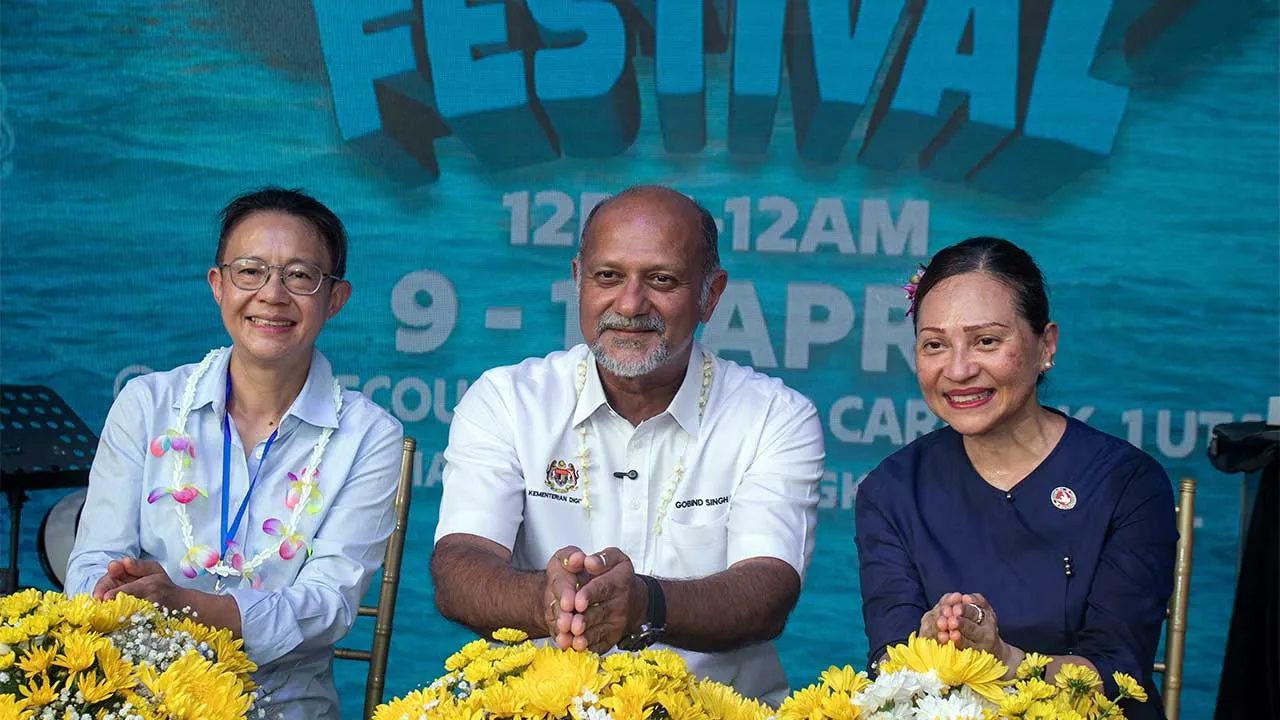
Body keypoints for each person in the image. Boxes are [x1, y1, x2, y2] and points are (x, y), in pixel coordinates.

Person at [430, 185, 824, 706]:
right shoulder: (506, 399)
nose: (631, 304)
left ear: (711, 294)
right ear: (578, 279)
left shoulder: (775, 416)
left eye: (662, 280)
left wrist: (645, 604)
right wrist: (546, 600)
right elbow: (459, 567)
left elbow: (768, 590)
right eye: (608, 276)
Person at [65, 187, 404, 720]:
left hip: (281, 707)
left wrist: (187, 604)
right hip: (136, 697)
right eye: (250, 271)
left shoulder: (368, 436)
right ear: (218, 285)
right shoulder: (147, 405)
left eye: (300, 276)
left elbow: (328, 605)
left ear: (335, 299)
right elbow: (90, 562)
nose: (272, 294)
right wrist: (111, 589)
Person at [854, 237, 1176, 719]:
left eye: (986, 341)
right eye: (935, 344)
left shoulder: (1125, 483)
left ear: (1046, 345)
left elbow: (1118, 673)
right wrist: (925, 643)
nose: (958, 370)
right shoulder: (892, 489)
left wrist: (1004, 661)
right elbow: (887, 665)